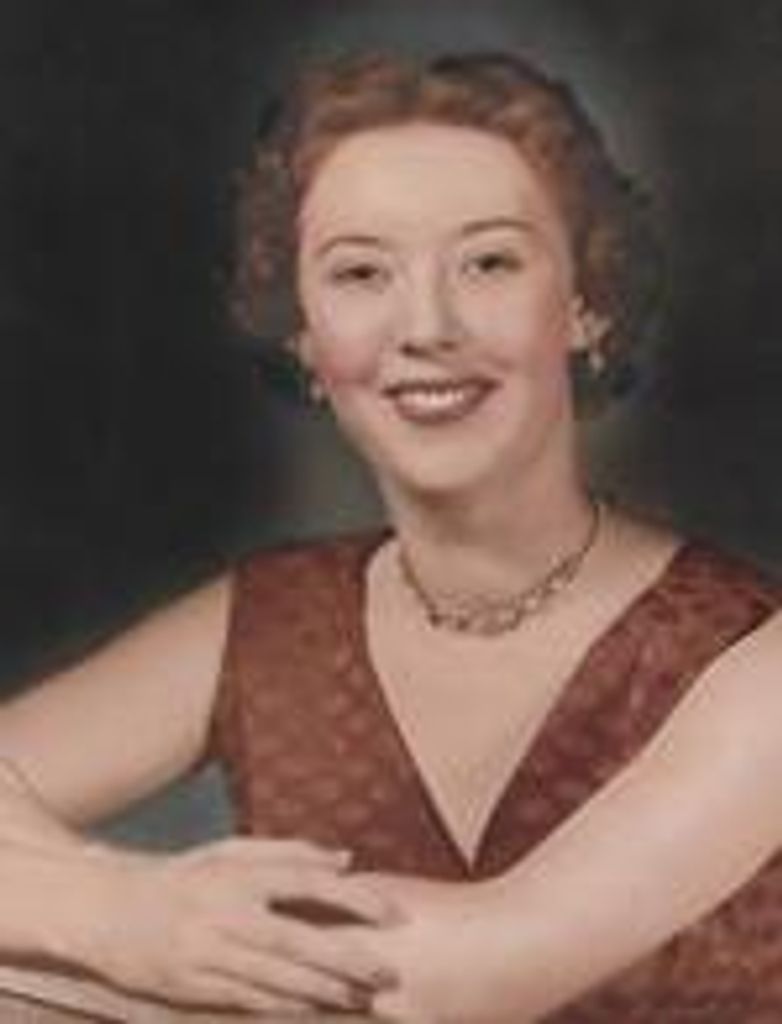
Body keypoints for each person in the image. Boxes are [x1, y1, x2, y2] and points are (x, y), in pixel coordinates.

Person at [0, 49, 779, 1023]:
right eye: (361, 272)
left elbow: (458, 980)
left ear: (584, 305)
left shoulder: (754, 659)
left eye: (488, 262)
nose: (427, 326)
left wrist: (77, 921)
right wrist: (117, 910)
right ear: (304, 335)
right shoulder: (272, 620)